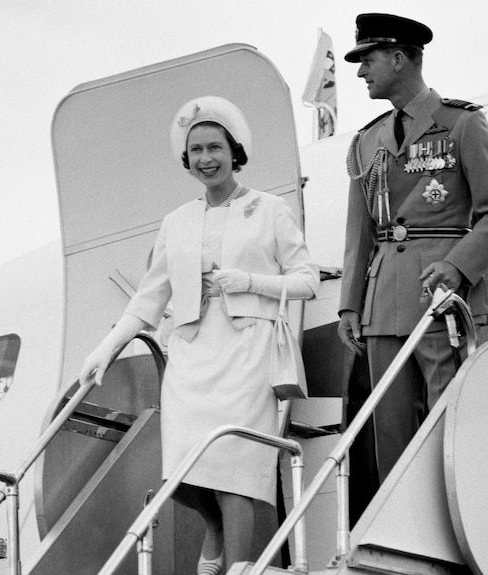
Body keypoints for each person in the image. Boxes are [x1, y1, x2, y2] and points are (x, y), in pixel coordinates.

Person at [79, 95, 319, 575]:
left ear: (235, 151)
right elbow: (148, 299)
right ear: (186, 161)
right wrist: (107, 347)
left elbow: (307, 280)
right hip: (192, 353)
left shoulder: (269, 210)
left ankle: (239, 565)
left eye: (215, 147)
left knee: (233, 471)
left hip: (248, 348)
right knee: (184, 476)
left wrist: (251, 282)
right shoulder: (176, 222)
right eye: (196, 151)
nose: (206, 158)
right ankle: (214, 534)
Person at [337, 13, 488, 483]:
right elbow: (360, 231)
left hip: (440, 296)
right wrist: (349, 305)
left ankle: (456, 533)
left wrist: (458, 268)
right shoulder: (366, 140)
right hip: (382, 300)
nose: (360, 71)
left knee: (448, 422)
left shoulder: (463, 125)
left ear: (399, 59)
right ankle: (403, 537)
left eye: (368, 60)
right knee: (390, 434)